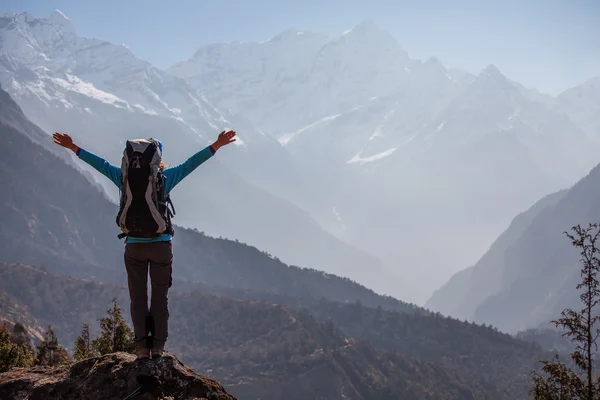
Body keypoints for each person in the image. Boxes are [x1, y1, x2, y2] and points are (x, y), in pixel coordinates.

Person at [53, 130, 237, 359]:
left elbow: (99, 164)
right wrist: (216, 145)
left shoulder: (123, 178)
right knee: (160, 297)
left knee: (138, 298)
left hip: (134, 247)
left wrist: (73, 147)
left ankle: (141, 349)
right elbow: (191, 164)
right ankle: (157, 348)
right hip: (160, 246)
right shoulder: (165, 178)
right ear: (157, 159)